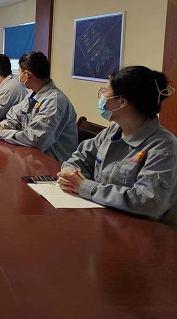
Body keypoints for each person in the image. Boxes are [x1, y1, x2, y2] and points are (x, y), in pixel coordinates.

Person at [57, 66, 177, 222]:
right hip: (104, 219)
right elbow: (80, 157)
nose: (101, 97)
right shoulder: (113, 131)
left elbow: (147, 202)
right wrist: (70, 175)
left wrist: (85, 187)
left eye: (105, 92)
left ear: (122, 101)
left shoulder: (163, 147)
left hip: (141, 231)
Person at [0, 51, 78, 162]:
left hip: (54, 164)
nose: (18, 76)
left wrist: (1, 133)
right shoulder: (33, 95)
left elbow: (37, 139)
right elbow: (15, 117)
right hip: (32, 157)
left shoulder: (54, 102)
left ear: (27, 75)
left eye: (19, 72)